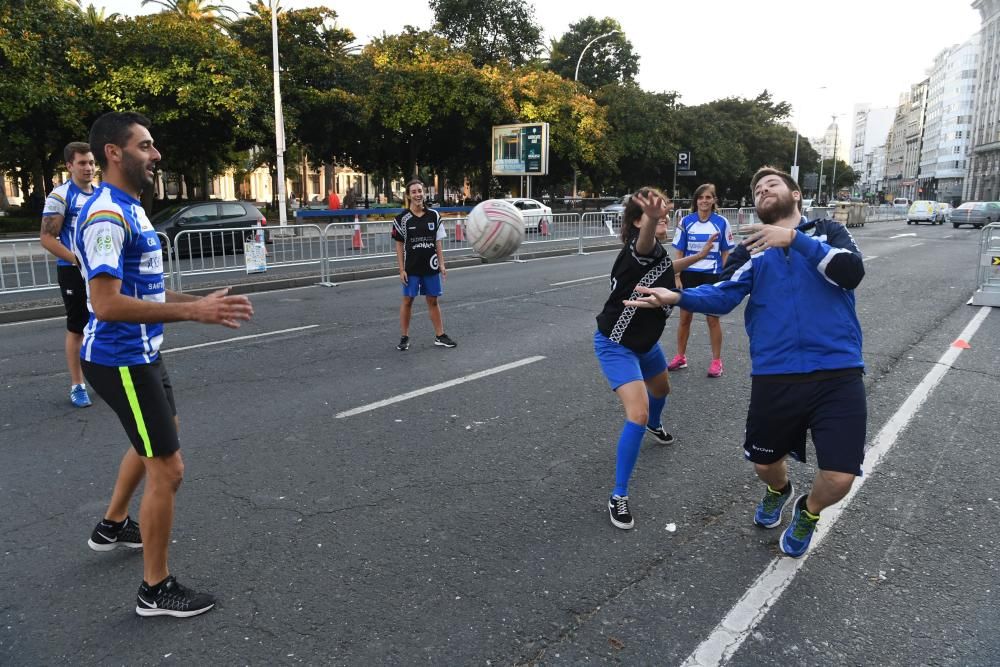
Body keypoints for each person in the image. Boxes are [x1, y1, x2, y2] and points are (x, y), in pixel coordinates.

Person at [625, 167, 867, 557]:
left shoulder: (826, 233)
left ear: (795, 195)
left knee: (840, 477)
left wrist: (794, 240)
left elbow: (850, 273)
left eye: (772, 184)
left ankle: (808, 510)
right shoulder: (751, 249)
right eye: (757, 189)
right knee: (764, 464)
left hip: (838, 371)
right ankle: (779, 490)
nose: (763, 191)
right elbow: (722, 295)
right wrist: (678, 297)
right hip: (776, 373)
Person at [75, 111, 254, 617]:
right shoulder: (108, 216)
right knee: (168, 468)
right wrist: (192, 312)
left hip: (143, 353)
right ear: (114, 152)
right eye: (145, 146)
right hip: (121, 357)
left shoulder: (130, 208)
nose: (156, 155)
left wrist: (198, 302)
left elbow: (146, 289)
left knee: (157, 437)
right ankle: (155, 589)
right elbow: (107, 303)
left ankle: (111, 525)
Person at [594, 188, 717, 530]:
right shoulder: (638, 251)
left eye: (665, 212)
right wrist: (650, 219)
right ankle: (618, 495)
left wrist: (700, 255)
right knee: (638, 411)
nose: (664, 217)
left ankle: (654, 425)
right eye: (654, 214)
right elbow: (644, 243)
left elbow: (667, 265)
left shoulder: (657, 255)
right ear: (638, 221)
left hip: (645, 343)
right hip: (616, 344)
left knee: (661, 390)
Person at [39, 142, 96, 407]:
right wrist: (78, 260)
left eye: (92, 163)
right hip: (73, 272)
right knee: (78, 327)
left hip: (100, 271)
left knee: (107, 321)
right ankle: (77, 384)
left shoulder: (101, 194)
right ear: (69, 166)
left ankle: (106, 376)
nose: (88, 168)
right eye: (82, 163)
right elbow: (48, 239)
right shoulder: (60, 196)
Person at [668, 183, 736, 377]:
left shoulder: (721, 222)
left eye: (708, 197)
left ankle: (716, 361)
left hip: (712, 275)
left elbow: (725, 252)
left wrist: (726, 278)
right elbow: (679, 250)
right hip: (689, 273)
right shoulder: (686, 221)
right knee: (684, 319)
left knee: (712, 319)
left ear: (714, 200)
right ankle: (680, 357)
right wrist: (677, 275)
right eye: (701, 197)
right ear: (695, 200)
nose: (704, 201)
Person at [392, 178, 456, 351]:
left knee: (433, 301)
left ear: (424, 193)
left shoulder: (434, 216)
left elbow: (438, 242)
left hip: (430, 266)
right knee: (408, 301)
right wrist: (401, 269)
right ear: (408, 195)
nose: (417, 194)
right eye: (414, 192)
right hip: (411, 268)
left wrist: (442, 264)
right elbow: (398, 245)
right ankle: (404, 337)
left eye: (420, 191)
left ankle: (440, 335)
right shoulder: (402, 219)